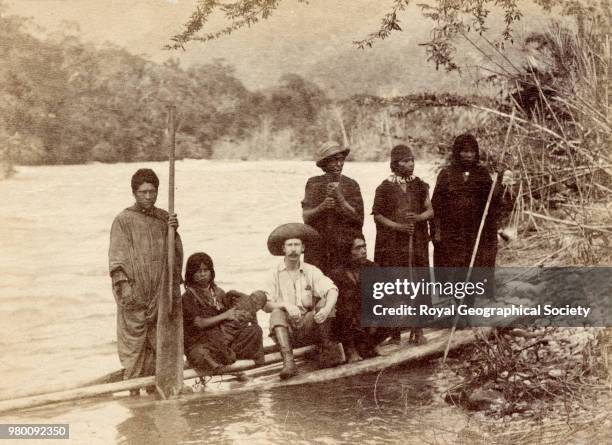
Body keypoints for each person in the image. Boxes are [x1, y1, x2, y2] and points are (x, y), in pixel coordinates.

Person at [108, 168, 183, 385]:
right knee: (133, 345)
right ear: (134, 193)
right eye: (143, 192)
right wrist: (125, 288)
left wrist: (173, 231)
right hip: (135, 292)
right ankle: (132, 389)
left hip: (159, 293)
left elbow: (174, 255)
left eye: (152, 192)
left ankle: (155, 389)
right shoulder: (123, 220)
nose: (148, 197)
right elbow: (117, 259)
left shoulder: (163, 219)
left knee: (158, 342)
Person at [431, 133, 508, 319]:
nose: (468, 155)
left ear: (476, 153)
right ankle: (460, 307)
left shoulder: (481, 174)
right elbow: (436, 205)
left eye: (471, 151)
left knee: (472, 268)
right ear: (457, 153)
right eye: (464, 151)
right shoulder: (446, 174)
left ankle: (468, 307)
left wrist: (499, 178)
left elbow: (492, 201)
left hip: (475, 232)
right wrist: (436, 230)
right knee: (456, 269)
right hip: (452, 233)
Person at [262, 223, 342, 379]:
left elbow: (332, 290)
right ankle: (289, 362)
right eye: (289, 245)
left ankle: (327, 351)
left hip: (309, 327)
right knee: (277, 312)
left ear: (303, 248)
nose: (293, 249)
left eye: (297, 245)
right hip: (286, 332)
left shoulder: (311, 271)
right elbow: (265, 305)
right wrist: (285, 305)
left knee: (325, 301)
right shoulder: (273, 274)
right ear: (283, 249)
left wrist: (325, 310)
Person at [372, 145, 433, 344]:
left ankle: (419, 329)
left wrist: (418, 218)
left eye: (411, 160)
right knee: (396, 282)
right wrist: (398, 227)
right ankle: (395, 331)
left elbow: (430, 211)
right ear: (394, 164)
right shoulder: (384, 188)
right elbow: (378, 215)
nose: (409, 164)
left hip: (416, 242)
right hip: (393, 244)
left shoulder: (420, 185)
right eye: (404, 161)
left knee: (417, 280)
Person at [182, 252, 266, 374]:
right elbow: (199, 323)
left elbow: (230, 321)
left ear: (211, 272)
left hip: (221, 340)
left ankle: (230, 357)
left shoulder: (219, 292)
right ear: (191, 274)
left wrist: (240, 315)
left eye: (206, 270)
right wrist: (225, 315)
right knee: (201, 354)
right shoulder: (188, 297)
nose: (203, 274)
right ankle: (225, 360)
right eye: (198, 271)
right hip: (203, 342)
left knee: (254, 330)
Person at [302, 141, 364, 275]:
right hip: (319, 247)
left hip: (346, 247)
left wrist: (339, 197)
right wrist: (322, 207)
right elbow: (306, 217)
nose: (339, 164)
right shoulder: (314, 183)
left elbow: (358, 218)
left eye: (341, 160)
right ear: (324, 163)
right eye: (333, 160)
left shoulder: (351, 184)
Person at [329, 234, 391, 362]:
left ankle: (373, 343)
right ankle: (351, 349)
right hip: (348, 319)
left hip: (367, 316)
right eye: (357, 248)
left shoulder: (373, 267)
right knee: (345, 310)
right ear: (348, 252)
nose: (363, 251)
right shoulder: (337, 273)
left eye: (364, 247)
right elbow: (337, 301)